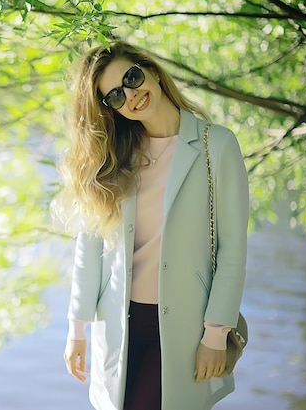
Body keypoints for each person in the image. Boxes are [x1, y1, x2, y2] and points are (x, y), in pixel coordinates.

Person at [53, 41, 249, 410]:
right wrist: (76, 328)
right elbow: (89, 248)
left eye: (132, 78)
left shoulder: (217, 145)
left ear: (153, 72)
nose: (130, 95)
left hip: (187, 328)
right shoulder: (114, 156)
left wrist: (216, 333)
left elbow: (233, 247)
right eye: (114, 96)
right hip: (118, 326)